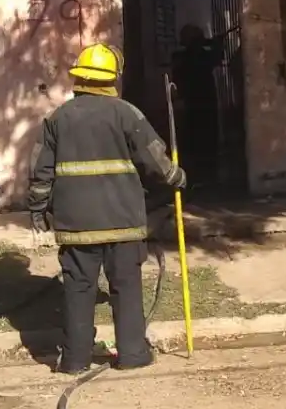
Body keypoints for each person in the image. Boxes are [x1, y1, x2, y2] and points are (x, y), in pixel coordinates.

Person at [27, 43, 187, 374]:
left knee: (78, 290)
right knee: (125, 286)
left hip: (75, 224)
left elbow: (40, 171)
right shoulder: (127, 113)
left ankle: (74, 359)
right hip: (123, 221)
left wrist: (38, 208)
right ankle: (132, 354)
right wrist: (177, 177)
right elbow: (154, 157)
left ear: (79, 79)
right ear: (112, 78)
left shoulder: (57, 119)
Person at [171, 24, 222, 185]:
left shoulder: (188, 56)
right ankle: (203, 176)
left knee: (199, 141)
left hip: (196, 104)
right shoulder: (192, 56)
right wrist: (215, 44)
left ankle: (201, 176)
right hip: (199, 104)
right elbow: (216, 57)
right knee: (202, 142)